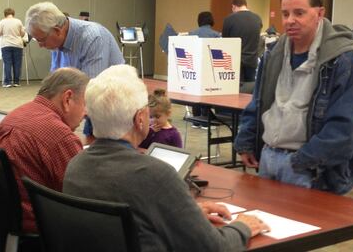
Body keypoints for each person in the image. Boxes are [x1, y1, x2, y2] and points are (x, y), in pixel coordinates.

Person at [63, 65, 267, 251]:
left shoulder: (76, 166)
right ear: (140, 119)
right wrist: (243, 226)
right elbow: (213, 248)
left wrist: (185, 214)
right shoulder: (155, 175)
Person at [234, 0, 353, 194]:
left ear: (320, 13)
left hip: (310, 167)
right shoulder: (273, 54)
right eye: (285, 14)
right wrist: (247, 141)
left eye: (299, 13)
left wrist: (302, 160)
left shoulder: (342, 59)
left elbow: (345, 126)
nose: (290, 21)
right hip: (268, 158)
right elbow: (259, 102)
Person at [0, 68, 88, 233]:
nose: (86, 113)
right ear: (67, 99)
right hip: (40, 226)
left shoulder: (14, 115)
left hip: (0, 218)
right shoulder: (60, 136)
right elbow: (80, 196)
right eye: (86, 104)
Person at [25, 2, 124, 142]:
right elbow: (55, 85)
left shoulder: (93, 37)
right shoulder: (55, 42)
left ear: (57, 30)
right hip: (89, 106)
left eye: (41, 40)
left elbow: (90, 91)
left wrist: (57, 123)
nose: (40, 46)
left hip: (112, 109)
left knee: (104, 155)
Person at [188, 11, 221, 121]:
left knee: (195, 92)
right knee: (208, 93)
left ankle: (196, 118)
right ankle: (206, 117)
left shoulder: (191, 34)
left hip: (194, 68)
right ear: (211, 20)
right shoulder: (217, 35)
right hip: (210, 70)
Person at [222, 0, 263, 83]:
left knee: (236, 90)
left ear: (233, 6)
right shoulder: (257, 19)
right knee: (250, 90)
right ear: (245, 5)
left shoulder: (229, 19)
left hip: (235, 62)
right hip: (252, 61)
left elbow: (224, 42)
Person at [0, 8, 25, 88]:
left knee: (7, 63)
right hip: (18, 45)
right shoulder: (18, 21)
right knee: (17, 64)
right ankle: (16, 82)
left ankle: (7, 82)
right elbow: (22, 33)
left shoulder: (2, 21)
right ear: (13, 14)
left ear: (5, 14)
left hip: (6, 44)